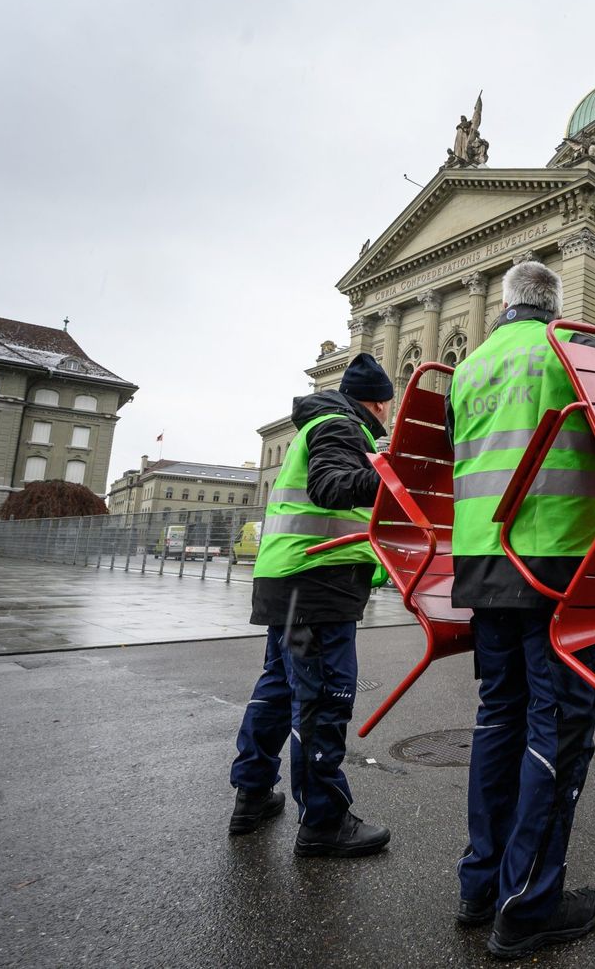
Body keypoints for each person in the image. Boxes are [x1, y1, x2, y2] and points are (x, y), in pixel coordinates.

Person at [446, 261, 595, 959]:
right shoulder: (570, 352)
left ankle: (480, 884)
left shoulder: (469, 370)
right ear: (555, 306)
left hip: (484, 564)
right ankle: (528, 905)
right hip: (559, 563)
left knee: (500, 717)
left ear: (504, 303)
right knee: (559, 728)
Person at [228, 353, 395, 855]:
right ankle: (323, 821)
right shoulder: (342, 426)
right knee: (323, 698)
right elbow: (331, 487)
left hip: (287, 579)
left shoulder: (319, 424)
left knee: (278, 690)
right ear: (381, 406)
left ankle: (252, 796)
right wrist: (394, 472)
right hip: (318, 583)